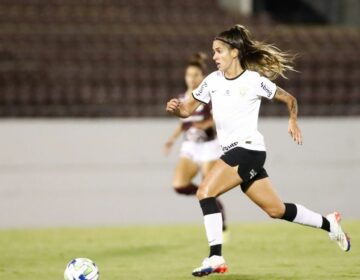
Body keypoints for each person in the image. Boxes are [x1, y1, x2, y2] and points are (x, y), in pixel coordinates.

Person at [166, 24, 350, 277]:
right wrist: (177, 109)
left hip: (248, 150)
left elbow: (289, 99)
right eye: (213, 51)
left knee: (204, 191)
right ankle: (330, 223)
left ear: (234, 52)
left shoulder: (253, 81)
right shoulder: (212, 82)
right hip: (236, 153)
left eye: (219, 51)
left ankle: (215, 257)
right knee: (276, 210)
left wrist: (293, 120)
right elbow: (187, 110)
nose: (214, 56)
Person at [164, 52, 228, 234]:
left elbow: (218, 117)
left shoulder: (209, 95)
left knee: (210, 189)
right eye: (188, 75)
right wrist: (171, 138)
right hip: (190, 146)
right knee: (179, 184)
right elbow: (183, 122)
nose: (191, 79)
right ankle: (209, 200)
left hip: (209, 146)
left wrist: (205, 124)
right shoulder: (182, 97)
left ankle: (218, 226)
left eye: (195, 75)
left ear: (202, 77)